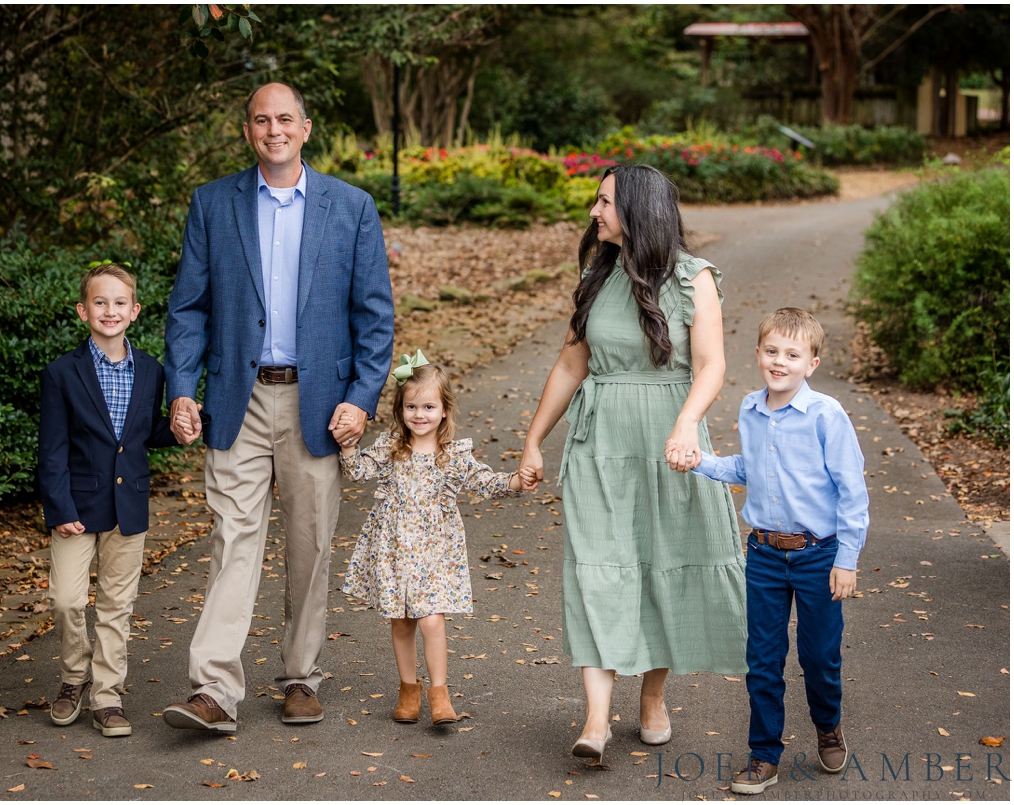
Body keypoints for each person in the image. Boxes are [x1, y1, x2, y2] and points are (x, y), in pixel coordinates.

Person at [162, 82, 394, 732]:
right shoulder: (212, 204)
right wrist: (183, 386)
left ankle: (299, 675)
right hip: (237, 396)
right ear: (247, 133)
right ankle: (213, 688)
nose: (274, 129)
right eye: (261, 120)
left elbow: (374, 316)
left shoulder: (351, 208)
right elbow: (188, 308)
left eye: (284, 118)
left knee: (309, 542)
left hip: (316, 402)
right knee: (231, 539)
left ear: (306, 128)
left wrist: (361, 398)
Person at [519, 164, 747, 763]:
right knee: (599, 567)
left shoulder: (694, 279)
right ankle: (595, 721)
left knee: (661, 564)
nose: (595, 213)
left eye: (605, 203)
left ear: (641, 210)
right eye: (596, 202)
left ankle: (652, 700)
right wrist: (533, 439)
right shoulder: (597, 278)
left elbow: (712, 365)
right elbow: (571, 366)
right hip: (600, 443)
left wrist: (687, 423)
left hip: (670, 438)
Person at [678, 308, 869, 795]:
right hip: (763, 556)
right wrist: (703, 463)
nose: (779, 361)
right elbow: (751, 468)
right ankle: (764, 755)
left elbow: (852, 492)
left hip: (818, 556)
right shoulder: (750, 408)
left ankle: (828, 726)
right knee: (762, 658)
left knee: (819, 656)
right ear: (758, 354)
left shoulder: (826, 415)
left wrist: (847, 559)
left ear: (812, 363)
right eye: (771, 351)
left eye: (792, 354)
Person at [38, 264, 201, 737]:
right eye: (99, 302)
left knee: (116, 607)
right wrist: (60, 507)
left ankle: (106, 697)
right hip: (76, 507)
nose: (109, 311)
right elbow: (51, 450)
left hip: (128, 508)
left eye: (118, 303)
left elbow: (147, 432)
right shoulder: (61, 373)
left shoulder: (151, 370)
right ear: (82, 309)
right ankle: (73, 678)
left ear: (134, 311)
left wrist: (182, 427)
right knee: (67, 600)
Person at [339, 352, 534, 725]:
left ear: (444, 410)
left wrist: (515, 481)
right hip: (394, 548)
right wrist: (349, 447)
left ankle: (440, 694)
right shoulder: (392, 447)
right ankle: (408, 690)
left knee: (431, 621)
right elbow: (358, 473)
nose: (419, 414)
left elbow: (485, 482)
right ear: (401, 410)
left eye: (429, 406)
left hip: (434, 551)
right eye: (411, 406)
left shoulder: (452, 455)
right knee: (401, 621)